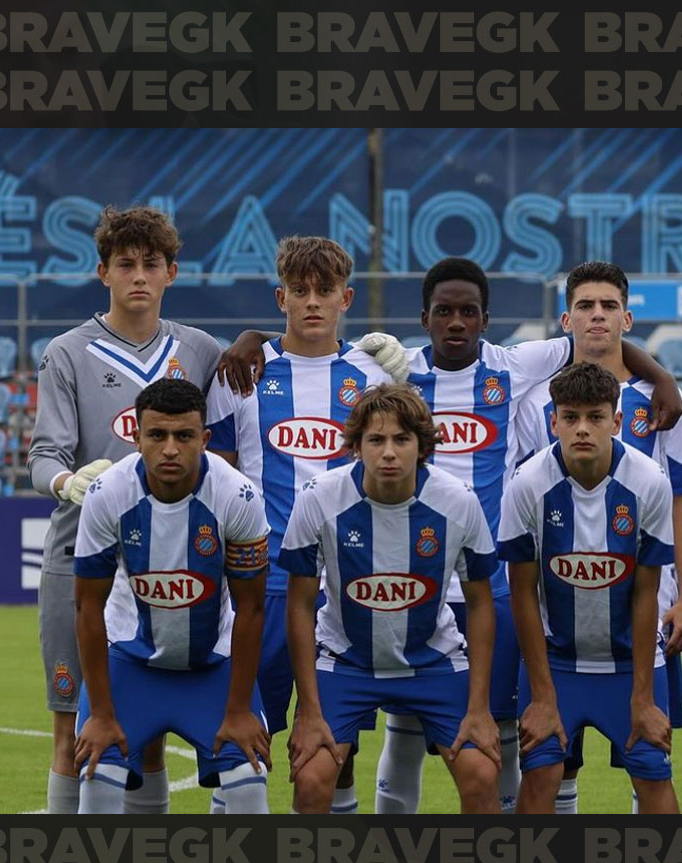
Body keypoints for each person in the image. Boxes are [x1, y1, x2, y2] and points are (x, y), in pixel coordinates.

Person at [27, 205, 228, 814]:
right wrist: (67, 482)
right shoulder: (67, 352)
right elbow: (41, 456)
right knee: (73, 731)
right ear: (103, 272)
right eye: (125, 264)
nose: (138, 275)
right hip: (80, 558)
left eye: (151, 264)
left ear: (172, 272)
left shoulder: (200, 350)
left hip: (171, 564)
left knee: (150, 736)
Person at [205, 235, 394, 813]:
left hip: (343, 579)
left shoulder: (373, 377)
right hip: (260, 579)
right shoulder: (243, 371)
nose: (313, 302)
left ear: (347, 299)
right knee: (241, 729)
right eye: (301, 291)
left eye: (326, 291)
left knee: (337, 743)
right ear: (280, 297)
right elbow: (218, 475)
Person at [511, 261, 682, 814]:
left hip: (643, 604)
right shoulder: (536, 400)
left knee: (647, 752)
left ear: (627, 317)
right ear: (566, 318)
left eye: (609, 306)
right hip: (559, 610)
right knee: (551, 762)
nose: (598, 315)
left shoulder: (664, 400)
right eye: (587, 306)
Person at [281, 384, 502, 814]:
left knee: (481, 772)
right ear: (356, 446)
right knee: (311, 777)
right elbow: (300, 604)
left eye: (401, 439)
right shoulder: (318, 498)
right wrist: (307, 710)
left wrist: (479, 708)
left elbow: (479, 603)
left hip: (432, 660)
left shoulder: (458, 502)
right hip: (344, 660)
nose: (388, 453)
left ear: (422, 446)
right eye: (375, 440)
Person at [70, 379, 273, 814]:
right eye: (156, 435)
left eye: (183, 436)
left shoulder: (238, 496)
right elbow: (88, 608)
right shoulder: (107, 494)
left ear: (205, 439)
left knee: (249, 783)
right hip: (130, 663)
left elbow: (252, 607)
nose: (169, 449)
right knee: (96, 782)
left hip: (212, 669)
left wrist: (239, 710)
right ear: (137, 437)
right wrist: (101, 715)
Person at [500, 362, 680, 815]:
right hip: (557, 663)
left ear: (616, 422)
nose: (582, 428)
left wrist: (642, 697)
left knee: (653, 772)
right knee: (540, 775)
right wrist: (541, 698)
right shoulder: (526, 484)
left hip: (629, 663)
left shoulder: (649, 483)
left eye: (596, 417)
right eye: (571, 416)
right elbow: (522, 592)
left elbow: (646, 593)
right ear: (553, 421)